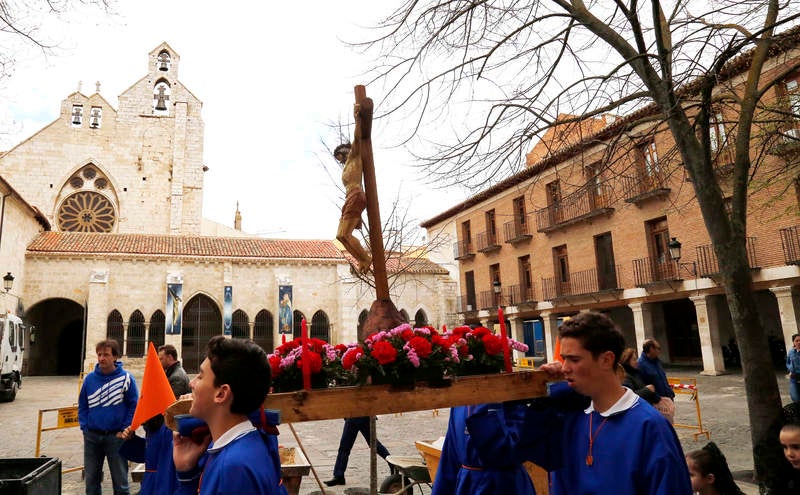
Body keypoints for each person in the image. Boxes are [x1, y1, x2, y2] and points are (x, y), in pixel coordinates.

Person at [527, 312, 692, 494]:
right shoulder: (569, 416)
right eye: (563, 358)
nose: (564, 368)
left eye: (574, 359)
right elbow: (522, 446)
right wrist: (549, 392)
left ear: (606, 359)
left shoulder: (650, 427)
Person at [172, 336, 285, 495]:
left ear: (221, 394)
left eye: (201, 376)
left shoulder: (234, 467)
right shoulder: (237, 448)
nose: (192, 383)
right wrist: (186, 474)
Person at [432, 403, 537, 495]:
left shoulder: (510, 398)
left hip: (506, 485)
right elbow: (449, 460)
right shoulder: (459, 404)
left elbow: (513, 446)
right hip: (467, 485)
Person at [78, 339, 139, 495]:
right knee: (91, 482)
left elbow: (134, 405)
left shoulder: (126, 378)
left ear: (115, 357)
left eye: (106, 354)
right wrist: (85, 427)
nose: (101, 358)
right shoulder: (89, 379)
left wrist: (126, 428)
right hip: (92, 437)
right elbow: (83, 405)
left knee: (121, 484)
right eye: (99, 354)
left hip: (116, 438)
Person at [334, 100, 372, 274]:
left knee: (346, 234)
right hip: (350, 197)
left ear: (345, 151)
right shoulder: (348, 164)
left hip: (356, 194)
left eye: (339, 155)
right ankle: (361, 259)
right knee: (340, 236)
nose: (339, 159)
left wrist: (357, 118)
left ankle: (365, 258)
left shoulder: (355, 156)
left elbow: (357, 137)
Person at [325, 416, 391, 486]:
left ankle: (392, 464)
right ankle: (339, 476)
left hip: (363, 416)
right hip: (352, 416)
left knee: (374, 444)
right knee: (344, 447)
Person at [638, 338, 676, 422]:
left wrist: (670, 393)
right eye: (658, 348)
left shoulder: (657, 362)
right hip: (655, 404)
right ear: (651, 349)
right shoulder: (641, 365)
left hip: (666, 401)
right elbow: (642, 385)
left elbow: (663, 379)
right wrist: (657, 398)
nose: (660, 351)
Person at [786, 333, 800, 402]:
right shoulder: (791, 352)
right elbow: (787, 363)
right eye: (796, 341)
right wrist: (790, 369)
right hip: (794, 378)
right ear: (793, 342)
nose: (799, 342)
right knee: (795, 397)